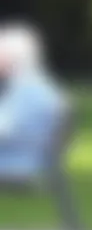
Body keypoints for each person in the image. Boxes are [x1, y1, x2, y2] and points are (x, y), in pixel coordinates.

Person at [0, 22, 68, 182]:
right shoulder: (38, 87)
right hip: (26, 158)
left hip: (16, 162)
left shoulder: (28, 91)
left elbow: (6, 129)